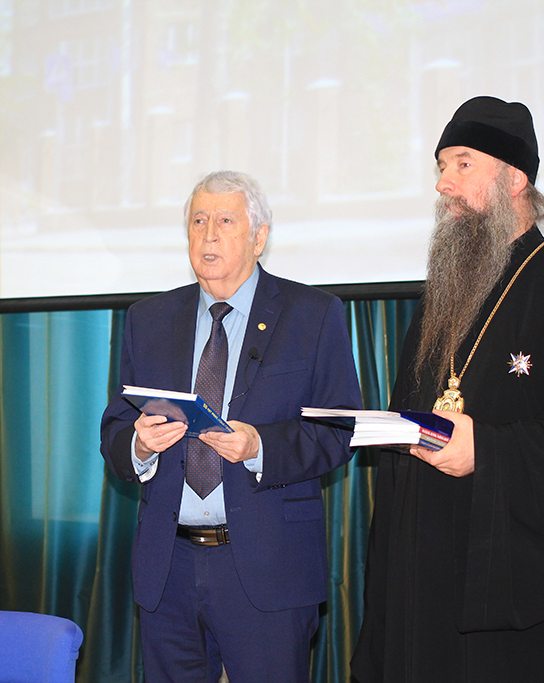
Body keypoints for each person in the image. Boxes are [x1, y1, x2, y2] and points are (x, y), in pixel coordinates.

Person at [351, 97, 544, 682]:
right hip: (426, 581)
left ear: (515, 177)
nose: (443, 184)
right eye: (441, 168)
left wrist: (487, 450)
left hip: (513, 602)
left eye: (462, 164)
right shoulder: (442, 297)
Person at [100, 170, 361, 682]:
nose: (209, 234)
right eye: (198, 221)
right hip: (168, 567)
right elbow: (116, 427)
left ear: (259, 237)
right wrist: (139, 445)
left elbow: (339, 429)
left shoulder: (312, 314)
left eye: (225, 221)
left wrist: (261, 445)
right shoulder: (148, 318)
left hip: (268, 568)